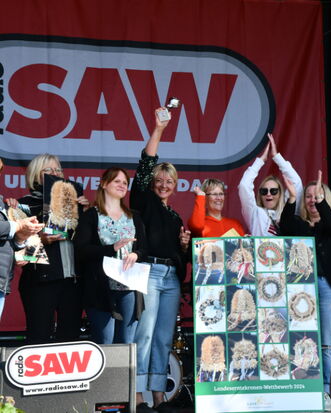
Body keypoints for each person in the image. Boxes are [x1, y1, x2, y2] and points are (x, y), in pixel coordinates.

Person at [130, 108, 191, 413]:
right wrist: (158, 130)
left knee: (163, 339)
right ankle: (138, 396)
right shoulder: (145, 202)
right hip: (149, 273)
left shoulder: (175, 216)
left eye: (170, 181)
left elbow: (182, 257)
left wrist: (184, 247)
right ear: (152, 183)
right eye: (160, 179)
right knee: (144, 334)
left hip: (171, 279)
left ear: (176, 185)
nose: (164, 184)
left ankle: (158, 396)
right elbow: (145, 165)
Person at [280, 171, 331, 406]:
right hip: (301, 289)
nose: (312, 200)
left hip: (327, 286)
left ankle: (327, 391)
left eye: (316, 196)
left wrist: (321, 202)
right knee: (300, 337)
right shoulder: (299, 224)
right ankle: (303, 388)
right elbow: (285, 226)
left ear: (325, 198)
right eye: (308, 196)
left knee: (327, 342)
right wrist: (292, 198)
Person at [18, 153, 89, 344]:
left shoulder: (74, 202)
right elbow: (20, 255)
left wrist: (86, 215)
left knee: (70, 339)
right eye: (48, 170)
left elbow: (86, 245)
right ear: (35, 174)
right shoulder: (24, 205)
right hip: (41, 281)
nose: (55, 173)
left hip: (72, 282)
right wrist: (40, 240)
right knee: (39, 338)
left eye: (58, 169)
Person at [74, 168, 147, 345]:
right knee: (105, 343)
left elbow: (145, 248)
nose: (122, 185)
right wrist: (111, 248)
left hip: (129, 286)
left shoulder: (134, 216)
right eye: (117, 181)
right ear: (104, 184)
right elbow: (81, 250)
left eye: (125, 183)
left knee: (127, 343)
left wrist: (136, 254)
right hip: (100, 288)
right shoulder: (91, 215)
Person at [0, 158, 44, 320]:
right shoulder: (21, 203)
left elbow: (9, 242)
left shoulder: (2, 202)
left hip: (2, 280)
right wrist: (18, 225)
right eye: (48, 170)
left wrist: (22, 238)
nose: (55, 174)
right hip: (37, 279)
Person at [238, 133, 303, 236]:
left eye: (273, 191)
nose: (269, 194)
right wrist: (261, 161)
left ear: (280, 194)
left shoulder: (287, 211)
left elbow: (296, 182)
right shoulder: (254, 213)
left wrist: (276, 157)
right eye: (264, 191)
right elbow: (244, 186)